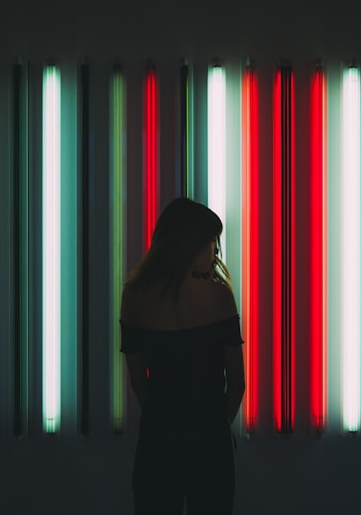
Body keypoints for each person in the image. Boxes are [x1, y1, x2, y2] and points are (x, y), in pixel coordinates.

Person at [120, 198, 245, 514]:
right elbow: (238, 383)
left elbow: (138, 382)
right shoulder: (219, 296)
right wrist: (216, 426)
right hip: (210, 437)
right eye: (211, 243)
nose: (215, 252)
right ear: (189, 245)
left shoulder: (133, 295)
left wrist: (164, 421)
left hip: (158, 436)